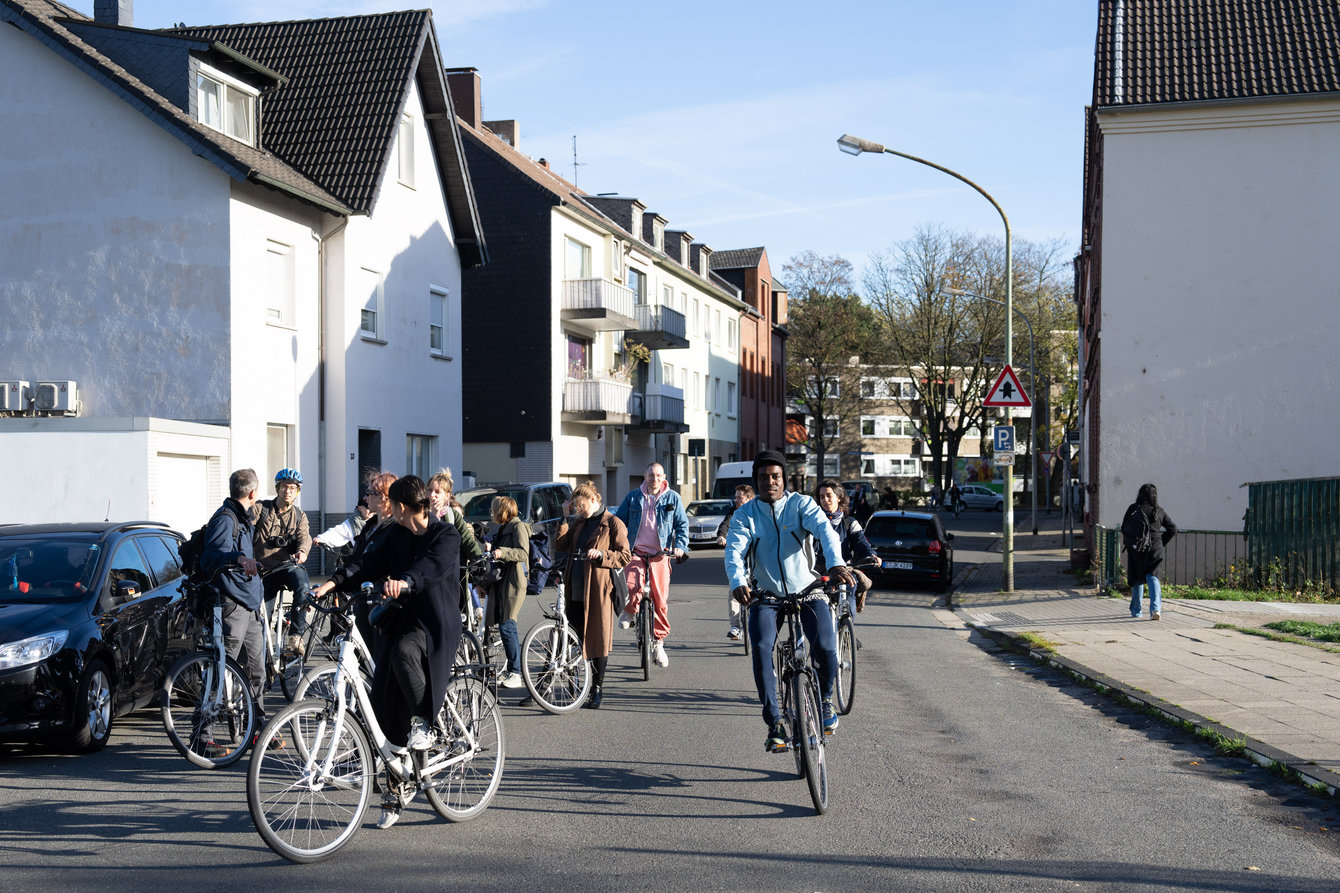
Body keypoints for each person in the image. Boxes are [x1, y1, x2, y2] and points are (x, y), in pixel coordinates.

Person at [309, 475, 461, 830]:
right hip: (400, 618)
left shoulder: (445, 535)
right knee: (383, 703)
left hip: (434, 623)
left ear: (403, 506)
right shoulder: (397, 534)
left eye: (391, 502)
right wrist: (331, 584)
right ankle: (396, 788)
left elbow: (430, 568)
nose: (386, 506)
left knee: (404, 654)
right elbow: (367, 562)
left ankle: (426, 723)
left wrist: (406, 581)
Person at [725, 451, 855, 753]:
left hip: (808, 589)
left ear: (784, 479)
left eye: (775, 477)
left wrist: (836, 563)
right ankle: (776, 724)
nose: (769, 482)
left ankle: (823, 702)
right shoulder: (746, 514)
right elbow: (734, 551)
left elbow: (825, 531)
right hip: (766, 595)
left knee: (824, 646)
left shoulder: (802, 505)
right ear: (756, 482)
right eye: (763, 478)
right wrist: (738, 582)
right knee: (760, 649)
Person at [198, 469, 266, 748]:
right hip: (231, 606)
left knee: (256, 671)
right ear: (253, 493)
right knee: (222, 671)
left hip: (248, 606)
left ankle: (257, 730)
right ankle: (202, 736)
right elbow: (210, 558)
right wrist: (238, 557)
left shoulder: (243, 519)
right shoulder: (226, 519)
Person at [554, 481, 631, 709]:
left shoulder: (613, 523)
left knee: (598, 639)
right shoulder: (578, 522)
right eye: (576, 506)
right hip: (574, 587)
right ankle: (575, 684)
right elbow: (560, 545)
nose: (580, 509)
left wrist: (602, 554)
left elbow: (625, 555)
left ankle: (597, 689)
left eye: (582, 505)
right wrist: (565, 517)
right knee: (572, 639)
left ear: (594, 500)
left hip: (598, 590)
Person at [613, 462, 689, 668]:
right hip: (635, 551)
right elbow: (619, 522)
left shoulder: (672, 497)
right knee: (631, 585)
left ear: (664, 477)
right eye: (651, 475)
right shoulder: (633, 497)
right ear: (645, 476)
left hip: (660, 553)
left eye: (658, 475)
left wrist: (680, 546)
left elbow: (682, 524)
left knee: (660, 599)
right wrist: (617, 545)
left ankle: (658, 644)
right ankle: (629, 610)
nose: (654, 479)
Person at [252, 468, 313, 655]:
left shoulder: (299, 516)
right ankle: (261, 660)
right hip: (264, 572)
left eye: (293, 488)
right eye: (284, 487)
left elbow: (305, 538)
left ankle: (295, 636)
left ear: (297, 491)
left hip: (287, 567)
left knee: (303, 585)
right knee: (261, 620)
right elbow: (243, 526)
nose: (288, 491)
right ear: (277, 488)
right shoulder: (261, 509)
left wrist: (302, 552)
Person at [428, 468, 485, 626]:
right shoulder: (422, 517)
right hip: (429, 579)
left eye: (437, 491)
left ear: (447, 495)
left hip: (452, 579)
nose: (432, 495)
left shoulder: (452, 515)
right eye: (429, 490)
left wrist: (480, 561)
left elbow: (468, 541)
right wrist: (432, 514)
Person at [812, 480, 876, 612]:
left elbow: (861, 543)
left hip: (844, 569)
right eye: (822, 496)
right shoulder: (812, 523)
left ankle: (846, 626)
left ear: (839, 497)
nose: (825, 499)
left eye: (829, 495)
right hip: (817, 571)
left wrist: (871, 556)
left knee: (850, 588)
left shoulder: (849, 523)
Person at [486, 496, 529, 688]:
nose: (492, 513)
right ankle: (512, 670)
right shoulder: (504, 528)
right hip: (504, 582)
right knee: (504, 625)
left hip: (514, 582)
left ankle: (516, 673)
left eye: (494, 509)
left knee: (507, 625)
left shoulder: (518, 526)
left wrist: (501, 551)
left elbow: (523, 553)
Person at [1123, 483, 1177, 620]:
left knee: (1136, 578)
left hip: (1137, 548)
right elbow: (1173, 529)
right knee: (1153, 576)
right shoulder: (1159, 511)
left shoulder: (1133, 509)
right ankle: (1155, 609)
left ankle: (1136, 611)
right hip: (1155, 548)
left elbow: (1124, 528)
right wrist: (1161, 542)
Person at [715, 484, 756, 639]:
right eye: (736, 496)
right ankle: (735, 626)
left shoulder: (757, 512)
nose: (736, 499)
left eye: (739, 497)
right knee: (734, 590)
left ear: (749, 499)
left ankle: (757, 621)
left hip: (756, 557)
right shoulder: (734, 512)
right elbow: (725, 524)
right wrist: (721, 536)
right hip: (740, 556)